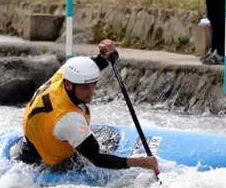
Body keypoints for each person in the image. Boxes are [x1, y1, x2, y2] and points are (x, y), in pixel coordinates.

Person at [13, 39, 159, 173]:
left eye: (93, 85)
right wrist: (139, 162)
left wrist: (106, 54)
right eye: (84, 87)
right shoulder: (68, 119)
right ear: (69, 85)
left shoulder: (64, 74)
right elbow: (97, 159)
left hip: (34, 141)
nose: (91, 92)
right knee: (101, 148)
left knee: (102, 136)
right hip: (51, 163)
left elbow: (98, 64)